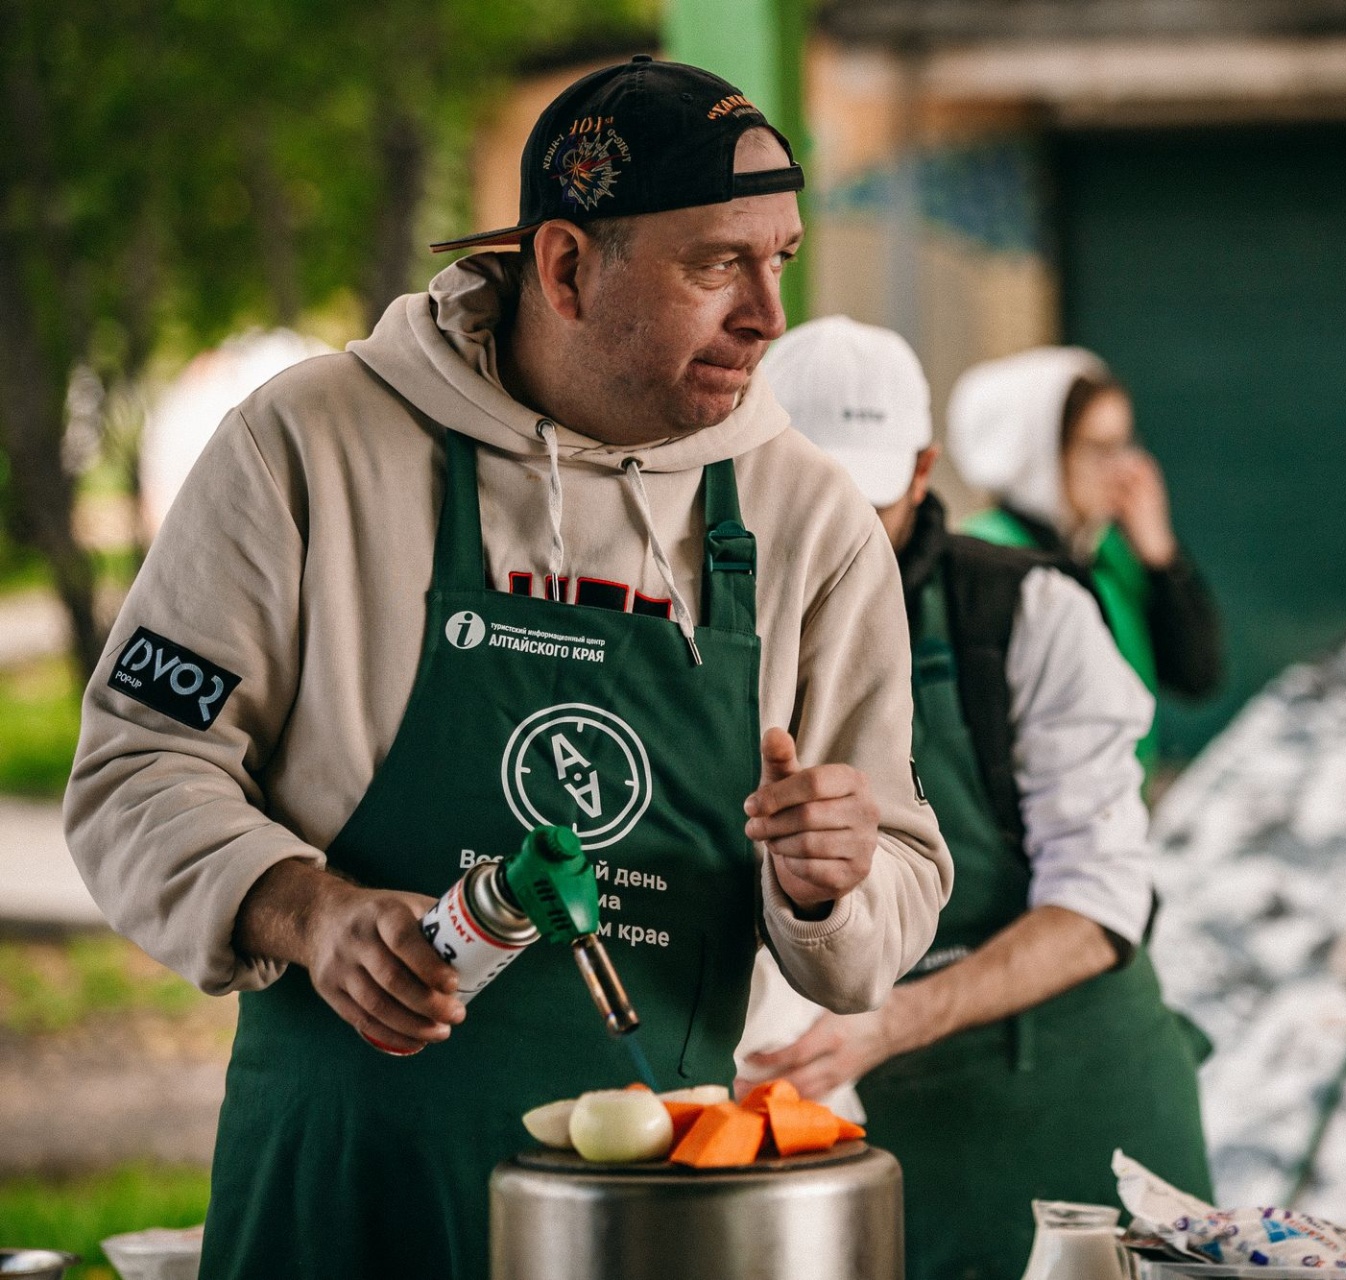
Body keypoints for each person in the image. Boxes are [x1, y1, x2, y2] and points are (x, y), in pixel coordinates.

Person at [63, 60, 950, 1280]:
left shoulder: (812, 524)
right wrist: (306, 912)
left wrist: (829, 884)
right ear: (567, 267)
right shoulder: (311, 445)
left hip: (652, 1217)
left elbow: (888, 887)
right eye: (715, 264)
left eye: (779, 259)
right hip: (339, 1190)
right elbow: (137, 765)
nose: (768, 318)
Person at [752, 316, 1213, 1280]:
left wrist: (888, 1022)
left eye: (864, 501)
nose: (832, 534)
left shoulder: (1025, 614)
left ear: (921, 474)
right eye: (807, 493)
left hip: (1067, 1099)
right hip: (832, 1122)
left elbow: (1098, 903)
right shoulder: (709, 616)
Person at [947, 348, 1224, 763]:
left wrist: (1162, 558)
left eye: (1125, 443)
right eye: (1100, 449)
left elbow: (1196, 674)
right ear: (1042, 455)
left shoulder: (1107, 554)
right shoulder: (985, 556)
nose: (1123, 468)